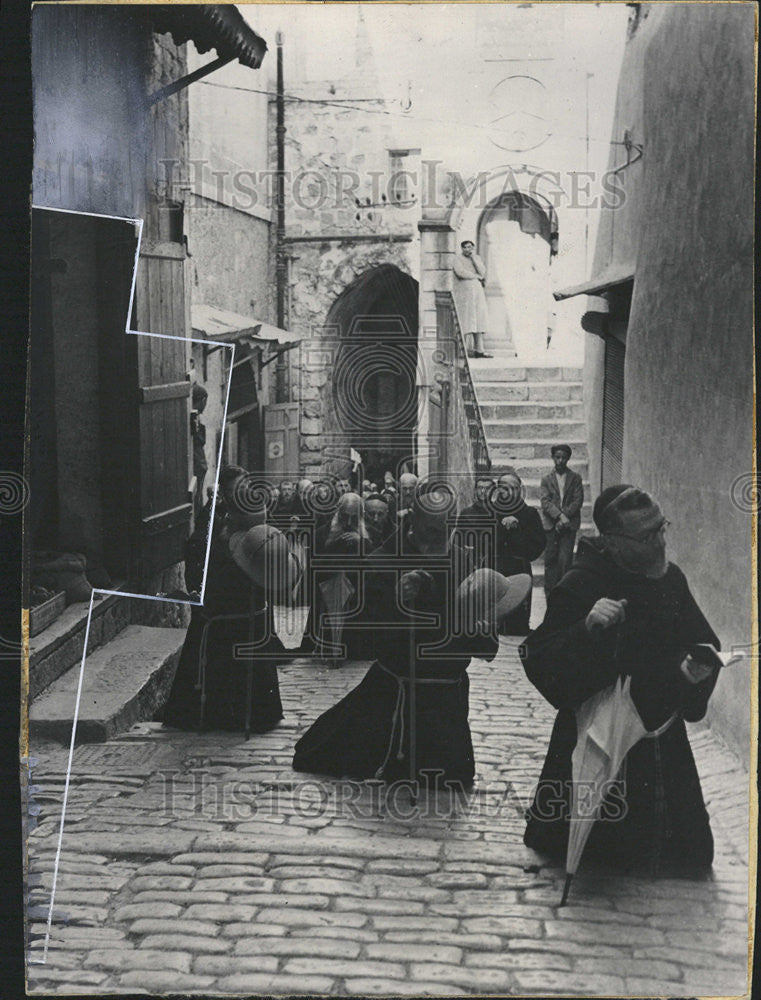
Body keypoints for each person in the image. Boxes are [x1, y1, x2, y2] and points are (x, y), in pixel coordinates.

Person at [520, 485, 721, 875]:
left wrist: (694, 670)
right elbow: (538, 656)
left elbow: (701, 641)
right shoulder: (582, 582)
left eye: (661, 528)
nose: (660, 542)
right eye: (647, 537)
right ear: (612, 542)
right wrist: (586, 628)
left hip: (661, 739)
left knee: (686, 856)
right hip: (596, 735)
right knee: (603, 857)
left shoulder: (671, 579)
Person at [293, 483, 499, 788]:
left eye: (446, 527)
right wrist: (397, 600)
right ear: (413, 521)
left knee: (449, 778)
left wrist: (480, 629)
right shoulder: (382, 560)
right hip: (399, 690)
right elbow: (364, 634)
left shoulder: (461, 558)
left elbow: (471, 610)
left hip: (448, 695)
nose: (439, 537)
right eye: (432, 528)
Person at [161, 465, 289, 734]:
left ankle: (255, 712)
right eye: (235, 488)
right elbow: (196, 551)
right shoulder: (213, 516)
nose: (241, 492)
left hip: (249, 602)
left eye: (244, 487)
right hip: (221, 602)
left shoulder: (254, 510)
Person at [491, 470, 546, 634]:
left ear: (519, 490)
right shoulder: (490, 512)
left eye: (513, 488)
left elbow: (538, 543)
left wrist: (517, 529)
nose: (508, 492)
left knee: (518, 621)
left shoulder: (529, 513)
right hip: (496, 566)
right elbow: (485, 541)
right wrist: (502, 528)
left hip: (519, 567)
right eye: (503, 487)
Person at [540, 444, 584, 598]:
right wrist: (559, 516)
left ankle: (564, 595)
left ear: (568, 459)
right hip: (551, 525)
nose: (560, 461)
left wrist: (564, 517)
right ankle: (550, 594)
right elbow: (545, 502)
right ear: (553, 458)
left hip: (569, 525)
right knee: (550, 560)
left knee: (565, 561)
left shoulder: (576, 478)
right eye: (557, 457)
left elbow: (577, 501)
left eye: (563, 458)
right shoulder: (546, 479)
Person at [452, 240, 492, 359]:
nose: (468, 250)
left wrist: (474, 259)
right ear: (462, 248)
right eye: (465, 247)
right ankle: (461, 351)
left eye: (470, 247)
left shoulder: (476, 258)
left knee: (479, 319)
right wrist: (476, 276)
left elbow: (482, 272)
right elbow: (460, 272)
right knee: (466, 320)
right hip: (464, 293)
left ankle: (479, 350)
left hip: (477, 292)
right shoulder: (457, 259)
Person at [190, 384, 209, 518]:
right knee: (196, 500)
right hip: (197, 467)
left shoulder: (195, 417)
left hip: (199, 468)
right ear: (203, 400)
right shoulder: (193, 418)